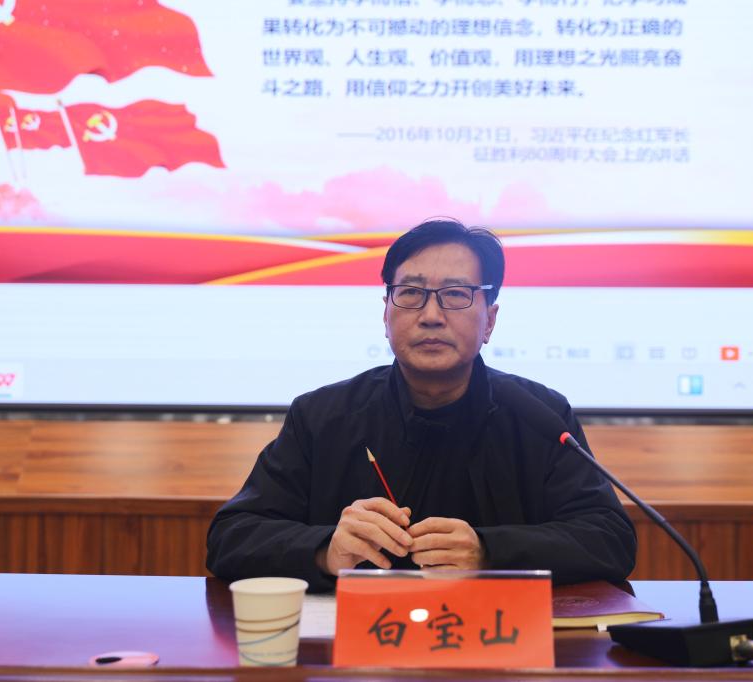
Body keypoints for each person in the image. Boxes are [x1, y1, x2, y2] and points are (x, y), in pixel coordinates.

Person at [206, 219, 636, 591]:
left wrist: (489, 553)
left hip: (500, 643)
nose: (431, 315)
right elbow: (232, 536)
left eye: (456, 294)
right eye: (411, 293)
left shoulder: (539, 416)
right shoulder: (322, 416)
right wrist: (326, 551)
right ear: (386, 313)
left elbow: (609, 539)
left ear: (489, 320)